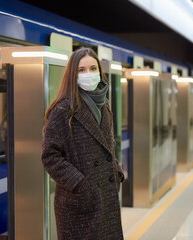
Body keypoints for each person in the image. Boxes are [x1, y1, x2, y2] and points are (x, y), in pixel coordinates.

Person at [42, 47, 124, 240]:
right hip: (80, 203)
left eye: (93, 68)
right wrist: (80, 185)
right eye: (82, 70)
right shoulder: (62, 110)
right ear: (73, 74)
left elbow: (108, 147)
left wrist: (116, 172)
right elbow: (50, 156)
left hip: (105, 196)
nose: (89, 74)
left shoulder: (104, 106)